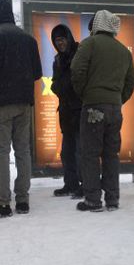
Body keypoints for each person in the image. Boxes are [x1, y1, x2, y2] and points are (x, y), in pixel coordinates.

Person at [0, 0, 42, 217]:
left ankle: (3, 202)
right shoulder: (28, 39)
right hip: (24, 102)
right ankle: (23, 200)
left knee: (1, 152)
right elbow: (37, 73)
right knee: (23, 150)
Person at [70, 10, 134, 212]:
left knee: (90, 153)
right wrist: (117, 99)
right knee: (111, 154)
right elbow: (130, 82)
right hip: (115, 109)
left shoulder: (89, 44)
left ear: (98, 24)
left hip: (93, 107)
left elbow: (76, 70)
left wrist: (85, 94)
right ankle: (112, 199)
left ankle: (93, 199)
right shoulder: (123, 51)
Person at [50, 24, 83, 199]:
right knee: (67, 151)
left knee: (80, 151)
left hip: (78, 109)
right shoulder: (58, 59)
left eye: (62, 39)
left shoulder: (79, 53)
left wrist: (63, 84)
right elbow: (56, 85)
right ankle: (70, 184)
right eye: (57, 41)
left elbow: (75, 81)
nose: (60, 43)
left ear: (68, 38)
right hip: (66, 110)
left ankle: (84, 185)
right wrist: (63, 84)